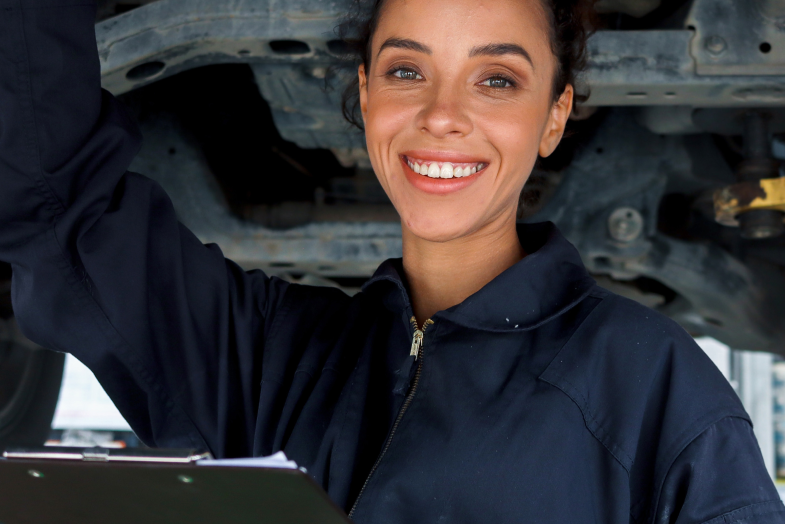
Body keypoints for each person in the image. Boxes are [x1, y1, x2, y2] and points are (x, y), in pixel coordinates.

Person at [1, 0, 783, 522]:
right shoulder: (266, 356)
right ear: (365, 94)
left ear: (554, 116)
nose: (442, 115)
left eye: (496, 80)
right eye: (407, 71)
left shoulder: (650, 386)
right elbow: (57, 205)